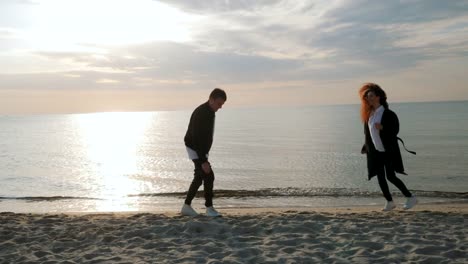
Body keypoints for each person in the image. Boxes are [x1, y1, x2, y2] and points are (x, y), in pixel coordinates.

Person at [359, 83, 417, 211]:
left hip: (388, 150)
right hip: (376, 151)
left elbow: (395, 130)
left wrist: (383, 128)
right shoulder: (369, 115)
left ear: (379, 97)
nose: (369, 98)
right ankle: (389, 202)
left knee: (390, 176)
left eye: (372, 96)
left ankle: (410, 197)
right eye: (368, 97)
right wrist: (366, 145)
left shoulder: (388, 113)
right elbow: (369, 133)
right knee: (380, 178)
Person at [181, 88, 227, 217]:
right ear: (211, 99)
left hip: (200, 149)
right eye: (219, 103)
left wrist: (204, 156)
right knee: (207, 175)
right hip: (194, 147)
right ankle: (208, 208)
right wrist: (203, 160)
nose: (220, 107)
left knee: (200, 176)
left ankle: (187, 206)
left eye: (222, 104)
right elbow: (196, 137)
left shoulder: (210, 112)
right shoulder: (201, 112)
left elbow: (205, 136)